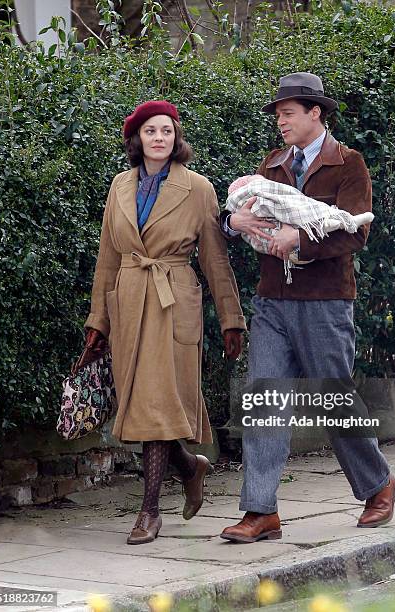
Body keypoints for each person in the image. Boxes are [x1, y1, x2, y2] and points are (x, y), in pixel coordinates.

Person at [218, 73, 395, 543]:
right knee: (265, 402)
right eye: (278, 115)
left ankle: (379, 485)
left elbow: (356, 231)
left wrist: (299, 238)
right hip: (273, 301)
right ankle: (260, 511)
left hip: (324, 302)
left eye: (288, 114)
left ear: (315, 113)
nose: (280, 122)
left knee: (333, 401)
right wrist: (234, 221)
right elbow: (249, 214)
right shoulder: (272, 164)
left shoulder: (349, 164)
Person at [82, 100, 246, 545]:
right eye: (152, 131)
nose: (160, 139)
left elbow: (214, 258)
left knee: (156, 405)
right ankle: (191, 468)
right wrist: (98, 322)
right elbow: (107, 260)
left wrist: (231, 319)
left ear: (176, 139)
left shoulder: (197, 189)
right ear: (138, 139)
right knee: (143, 410)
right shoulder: (118, 187)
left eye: (167, 131)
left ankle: (150, 511)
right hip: (129, 304)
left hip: (174, 302)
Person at [226, 173, 374, 281]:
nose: (281, 127)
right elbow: (227, 229)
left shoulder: (348, 161)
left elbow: (357, 235)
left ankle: (334, 220)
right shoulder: (272, 161)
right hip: (272, 296)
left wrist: (298, 238)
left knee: (330, 219)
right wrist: (234, 222)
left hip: (326, 296)